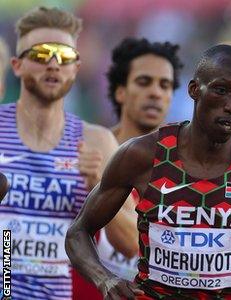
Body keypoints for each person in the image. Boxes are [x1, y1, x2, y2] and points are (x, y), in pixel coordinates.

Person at [66, 44, 231, 299]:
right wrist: (105, 280)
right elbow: (78, 232)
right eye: (221, 90)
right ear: (194, 90)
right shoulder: (143, 154)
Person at [0, 6, 138, 299]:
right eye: (40, 54)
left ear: (75, 68)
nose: (53, 63)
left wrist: (99, 187)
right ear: (17, 65)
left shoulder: (96, 141)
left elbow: (132, 244)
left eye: (64, 56)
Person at [97, 37, 183, 281]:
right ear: (120, 91)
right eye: (144, 82)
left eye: (165, 85)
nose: (155, 92)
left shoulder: (186, 169)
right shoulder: (88, 153)